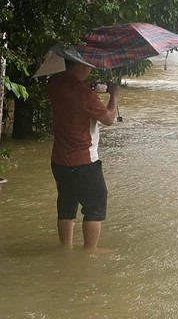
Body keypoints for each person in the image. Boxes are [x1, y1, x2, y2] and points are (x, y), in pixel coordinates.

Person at [47, 58, 120, 250]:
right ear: (82, 66)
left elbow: (70, 96)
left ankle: (66, 249)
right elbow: (109, 119)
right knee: (94, 207)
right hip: (84, 161)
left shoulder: (54, 82)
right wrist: (115, 95)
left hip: (59, 160)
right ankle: (90, 252)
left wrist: (86, 86)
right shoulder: (84, 95)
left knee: (66, 205)